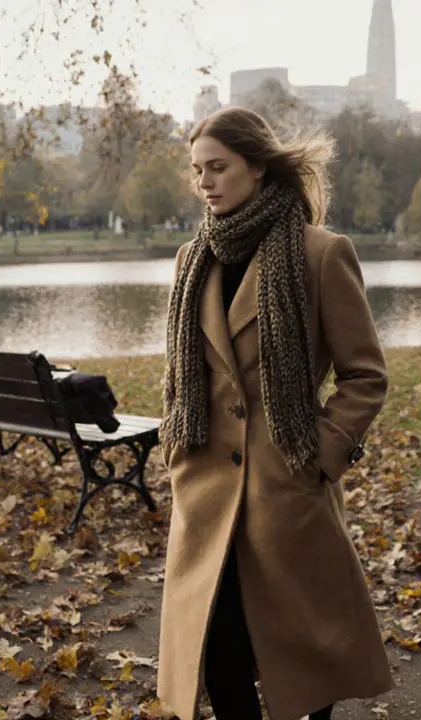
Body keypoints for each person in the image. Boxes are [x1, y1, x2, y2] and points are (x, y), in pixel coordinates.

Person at [156, 106, 393, 720]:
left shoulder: (320, 253)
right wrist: (175, 450)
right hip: (206, 487)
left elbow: (365, 375)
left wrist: (322, 454)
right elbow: (179, 375)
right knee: (219, 654)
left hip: (285, 484)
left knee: (305, 655)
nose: (205, 182)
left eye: (218, 167)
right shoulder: (192, 260)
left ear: (257, 167)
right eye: (197, 170)